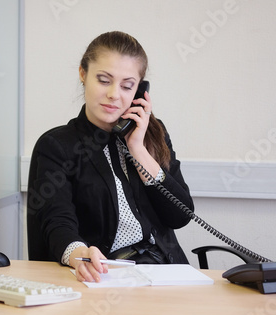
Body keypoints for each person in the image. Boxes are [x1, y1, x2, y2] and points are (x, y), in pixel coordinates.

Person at [27, 31, 194, 283]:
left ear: (140, 90)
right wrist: (79, 254)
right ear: (83, 74)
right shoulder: (57, 145)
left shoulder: (152, 135)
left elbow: (180, 216)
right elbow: (56, 221)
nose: (115, 94)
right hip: (105, 275)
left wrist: (138, 150)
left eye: (127, 86)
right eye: (104, 80)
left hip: (166, 273)